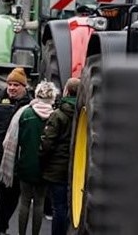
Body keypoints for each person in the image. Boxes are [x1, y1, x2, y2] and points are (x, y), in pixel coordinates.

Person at [0, 81, 58, 235]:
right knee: (39, 203)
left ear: (37, 95)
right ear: (52, 97)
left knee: (24, 201)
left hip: (25, 164)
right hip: (45, 167)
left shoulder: (25, 114)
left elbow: (16, 140)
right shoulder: (54, 116)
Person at [0, 67, 32, 235]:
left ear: (24, 87)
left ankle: (0, 228)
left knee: (9, 198)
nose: (12, 88)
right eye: (10, 84)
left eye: (16, 85)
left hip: (15, 162)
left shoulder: (30, 106)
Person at [40, 78, 80, 235]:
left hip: (57, 168)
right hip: (76, 168)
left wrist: (41, 159)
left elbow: (48, 142)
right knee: (72, 206)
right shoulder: (84, 112)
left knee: (59, 207)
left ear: (66, 91)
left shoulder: (58, 114)